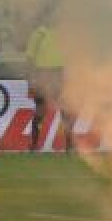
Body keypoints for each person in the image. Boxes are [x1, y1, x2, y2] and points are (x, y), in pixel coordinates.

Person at [24, 21, 74, 153]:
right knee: (41, 110)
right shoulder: (39, 33)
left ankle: (69, 146)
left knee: (65, 110)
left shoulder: (64, 31)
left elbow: (72, 55)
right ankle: (34, 146)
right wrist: (32, 77)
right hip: (44, 73)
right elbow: (29, 58)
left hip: (58, 73)